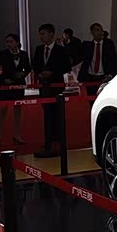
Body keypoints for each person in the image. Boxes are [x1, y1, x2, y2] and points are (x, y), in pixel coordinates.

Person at [32, 23, 71, 157]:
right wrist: (40, 74)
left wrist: (52, 72)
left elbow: (66, 66)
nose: (41, 36)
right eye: (40, 34)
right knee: (47, 115)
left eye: (43, 33)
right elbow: (35, 64)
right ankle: (49, 142)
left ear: (51, 34)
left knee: (57, 115)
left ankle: (58, 142)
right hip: (43, 86)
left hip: (56, 85)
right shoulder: (39, 49)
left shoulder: (60, 50)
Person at [0, 34, 32, 147]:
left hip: (19, 86)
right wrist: (3, 79)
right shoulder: (2, 54)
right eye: (7, 42)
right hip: (5, 86)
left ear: (17, 43)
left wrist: (23, 74)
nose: (8, 44)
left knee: (18, 111)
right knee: (2, 112)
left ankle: (17, 135)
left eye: (11, 41)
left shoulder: (24, 54)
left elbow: (28, 68)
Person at [80, 22, 117, 95]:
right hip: (89, 77)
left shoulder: (108, 44)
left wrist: (111, 74)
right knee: (90, 97)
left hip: (103, 76)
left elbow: (113, 60)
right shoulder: (87, 45)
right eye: (97, 30)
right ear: (92, 32)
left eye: (101, 30)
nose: (100, 32)